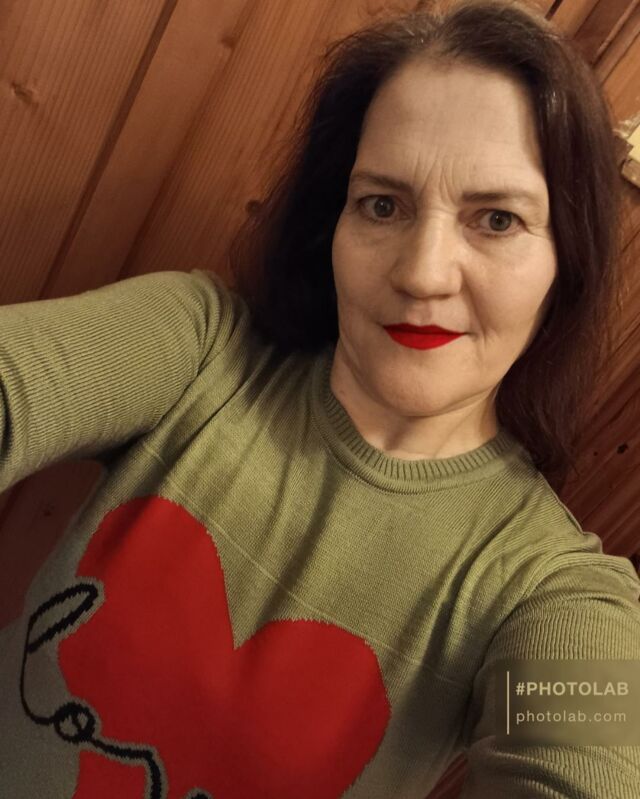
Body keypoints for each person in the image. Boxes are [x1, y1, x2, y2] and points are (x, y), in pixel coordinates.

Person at [0, 1, 639, 797]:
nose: (422, 272)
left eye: (498, 219)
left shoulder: (553, 587)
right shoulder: (199, 346)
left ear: (565, 263)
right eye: (382, 204)